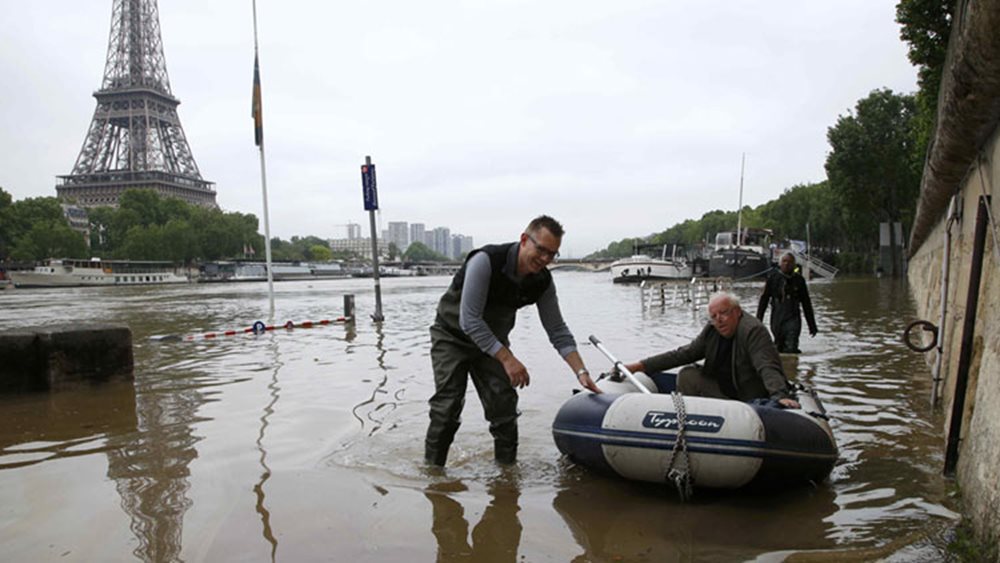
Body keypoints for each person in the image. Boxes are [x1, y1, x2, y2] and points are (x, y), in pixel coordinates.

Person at [424, 215, 602, 467]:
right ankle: (433, 473)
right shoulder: (485, 261)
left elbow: (557, 329)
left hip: (492, 344)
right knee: (448, 408)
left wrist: (581, 372)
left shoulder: (542, 281)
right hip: (452, 338)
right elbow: (470, 321)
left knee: (504, 408)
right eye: (540, 249)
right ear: (524, 240)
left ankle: (507, 477)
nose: (545, 259)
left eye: (552, 254)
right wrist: (507, 358)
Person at [623, 292, 799, 408]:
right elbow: (684, 354)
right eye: (714, 316)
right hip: (723, 390)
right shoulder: (712, 330)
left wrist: (779, 396)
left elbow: (766, 365)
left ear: (737, 311)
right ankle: (695, 421)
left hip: (747, 397)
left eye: (724, 313)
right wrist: (640, 366)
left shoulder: (753, 330)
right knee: (687, 374)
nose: (719, 320)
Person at [756, 252, 817, 354]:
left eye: (789, 262)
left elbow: (806, 304)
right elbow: (764, 300)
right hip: (777, 318)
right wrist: (758, 321)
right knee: (778, 349)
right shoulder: (773, 278)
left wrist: (812, 325)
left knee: (791, 348)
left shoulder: (799, 280)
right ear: (780, 263)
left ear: (794, 265)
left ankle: (792, 367)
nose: (787, 264)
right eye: (784, 261)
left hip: (793, 317)